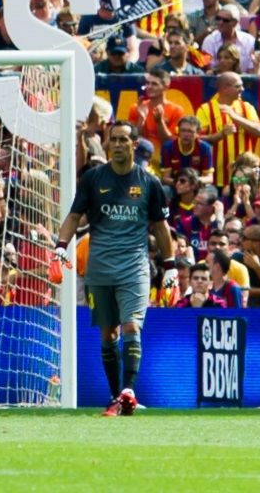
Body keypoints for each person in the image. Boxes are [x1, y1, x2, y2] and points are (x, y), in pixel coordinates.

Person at [55, 120, 176, 418]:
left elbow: (161, 228)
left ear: (134, 144)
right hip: (99, 267)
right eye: (114, 140)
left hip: (134, 266)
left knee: (132, 325)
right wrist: (60, 245)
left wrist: (170, 265)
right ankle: (114, 397)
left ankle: (128, 391)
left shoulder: (149, 183)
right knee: (108, 335)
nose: (118, 144)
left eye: (124, 139)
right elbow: (74, 215)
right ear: (108, 144)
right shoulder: (94, 178)